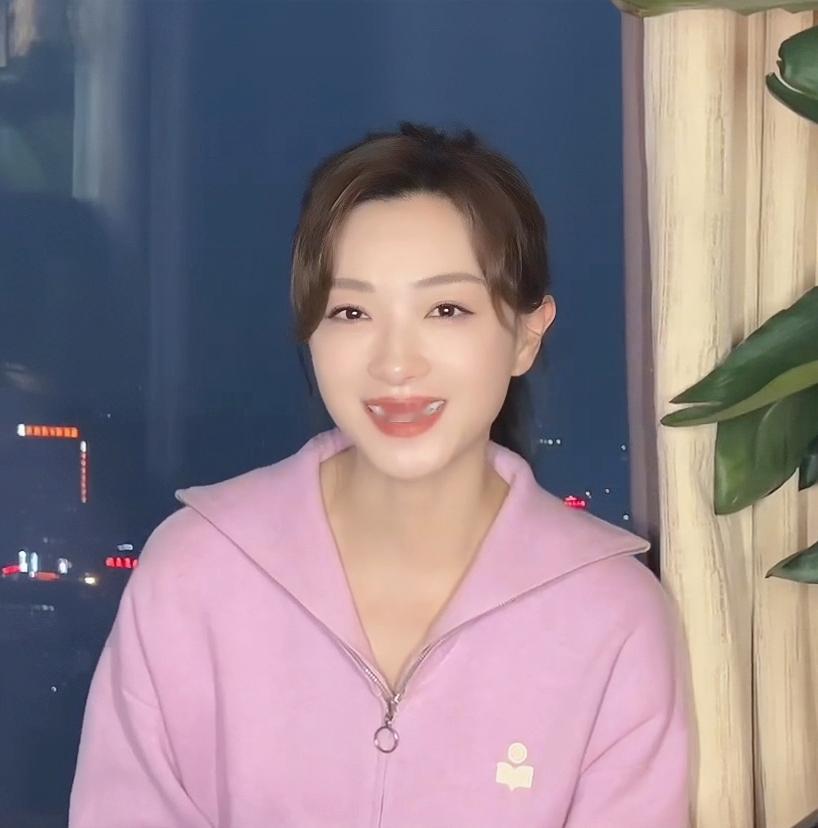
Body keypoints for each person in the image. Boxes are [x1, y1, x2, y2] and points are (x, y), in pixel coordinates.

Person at [68, 122, 690, 827]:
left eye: (446, 309)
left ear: (526, 334)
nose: (396, 363)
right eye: (352, 311)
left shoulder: (612, 617)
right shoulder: (197, 571)